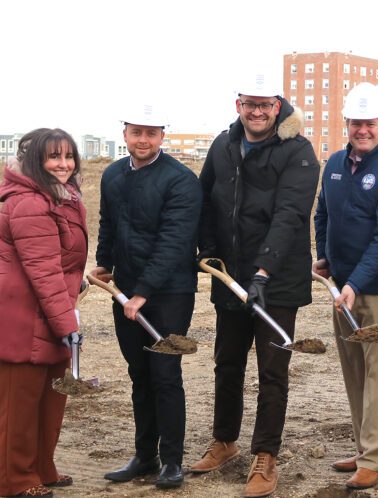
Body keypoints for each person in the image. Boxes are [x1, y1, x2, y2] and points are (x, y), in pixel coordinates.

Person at [192, 74, 319, 498]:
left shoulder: (297, 151)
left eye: (265, 104)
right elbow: (205, 197)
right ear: (238, 105)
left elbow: (290, 214)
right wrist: (207, 249)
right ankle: (225, 440)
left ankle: (265, 455)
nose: (257, 111)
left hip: (277, 281)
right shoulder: (224, 144)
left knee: (272, 370)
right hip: (230, 275)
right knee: (227, 362)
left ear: (278, 105)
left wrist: (263, 272)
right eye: (250, 103)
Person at [313, 82, 378, 490]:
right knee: (354, 369)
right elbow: (323, 214)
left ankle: (375, 457)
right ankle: (363, 447)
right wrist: (324, 257)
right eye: (356, 123)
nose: (363, 130)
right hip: (343, 286)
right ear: (348, 124)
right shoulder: (335, 164)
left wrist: (355, 281)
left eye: (370, 123)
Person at [93, 106, 202, 490]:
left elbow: (174, 242)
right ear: (125, 132)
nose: (143, 140)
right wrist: (104, 264)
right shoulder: (112, 175)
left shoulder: (181, 181)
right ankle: (144, 456)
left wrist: (141, 293)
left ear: (162, 136)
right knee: (139, 373)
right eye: (137, 131)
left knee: (165, 375)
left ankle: (172, 460)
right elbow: (109, 222)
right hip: (124, 290)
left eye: (151, 133)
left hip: (170, 293)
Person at [0, 128, 86, 498]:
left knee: (50, 398)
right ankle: (15, 480)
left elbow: (61, 263)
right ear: (36, 160)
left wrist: (79, 283)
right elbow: (43, 271)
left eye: (68, 156)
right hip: (24, 316)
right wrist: (69, 324)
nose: (63, 165)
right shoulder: (30, 202)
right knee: (19, 406)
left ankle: (41, 468)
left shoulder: (60, 197)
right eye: (54, 157)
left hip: (50, 311)